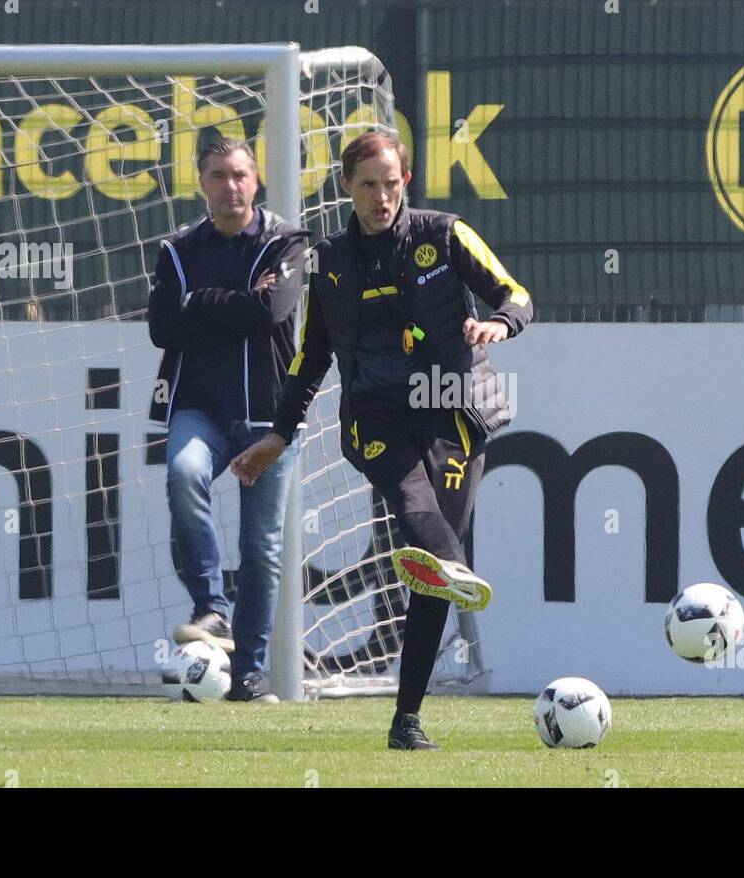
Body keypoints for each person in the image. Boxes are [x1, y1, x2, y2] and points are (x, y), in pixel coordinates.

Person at [230, 131, 533, 747]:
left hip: (450, 408)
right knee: (416, 507)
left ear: (406, 181)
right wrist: (280, 435)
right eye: (368, 184)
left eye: (390, 183)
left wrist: (498, 324)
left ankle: (406, 720)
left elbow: (516, 293)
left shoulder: (445, 234)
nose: (380, 196)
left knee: (430, 576)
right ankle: (455, 566)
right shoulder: (330, 259)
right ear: (346, 185)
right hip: (374, 417)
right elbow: (311, 355)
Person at [147, 137, 308, 703]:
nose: (230, 186)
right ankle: (210, 607)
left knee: (261, 547)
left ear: (256, 179)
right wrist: (233, 303)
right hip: (199, 408)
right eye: (218, 175)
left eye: (239, 174)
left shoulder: (285, 241)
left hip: (269, 418)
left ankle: (250, 676)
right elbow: (163, 328)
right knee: (184, 473)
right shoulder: (176, 249)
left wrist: (198, 304)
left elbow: (270, 311)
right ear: (202, 182)